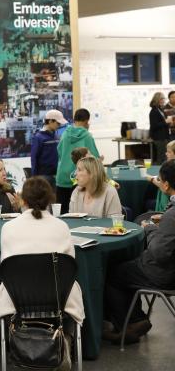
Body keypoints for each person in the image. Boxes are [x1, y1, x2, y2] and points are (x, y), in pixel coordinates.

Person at [0, 176, 84, 362]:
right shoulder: (62, 227)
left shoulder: (8, 228)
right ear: (50, 199)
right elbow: (70, 263)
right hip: (58, 296)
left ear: (22, 200)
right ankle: (65, 339)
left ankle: (17, 341)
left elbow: (6, 263)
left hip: (18, 296)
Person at [104, 160, 175, 345]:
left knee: (113, 272)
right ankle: (137, 318)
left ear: (166, 185)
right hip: (169, 270)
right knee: (127, 269)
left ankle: (129, 325)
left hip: (164, 274)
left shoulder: (172, 215)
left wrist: (150, 229)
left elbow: (159, 253)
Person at [56, 108, 101, 213]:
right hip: (79, 178)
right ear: (86, 121)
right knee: (78, 214)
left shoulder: (64, 134)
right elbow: (94, 159)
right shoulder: (87, 136)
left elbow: (59, 152)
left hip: (62, 178)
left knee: (62, 213)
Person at [30, 109, 67, 188]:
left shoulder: (56, 136)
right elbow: (34, 158)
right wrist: (34, 179)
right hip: (43, 177)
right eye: (58, 123)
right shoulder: (38, 137)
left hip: (56, 176)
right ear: (50, 121)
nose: (59, 125)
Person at [149, 92, 172, 164]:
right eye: (162, 99)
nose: (163, 100)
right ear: (157, 100)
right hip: (159, 138)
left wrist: (168, 123)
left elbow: (162, 123)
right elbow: (154, 125)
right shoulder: (154, 111)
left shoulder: (160, 110)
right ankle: (159, 173)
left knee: (164, 156)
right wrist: (166, 122)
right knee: (161, 157)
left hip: (164, 137)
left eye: (164, 99)